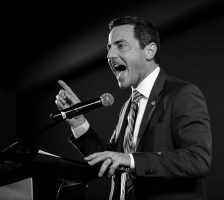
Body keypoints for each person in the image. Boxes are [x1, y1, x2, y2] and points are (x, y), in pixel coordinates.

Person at [55, 16, 212, 200]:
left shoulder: (182, 94)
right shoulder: (128, 106)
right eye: (109, 47)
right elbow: (109, 160)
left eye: (120, 45)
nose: (109, 55)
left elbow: (198, 160)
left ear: (149, 50)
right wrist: (79, 123)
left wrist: (131, 160)